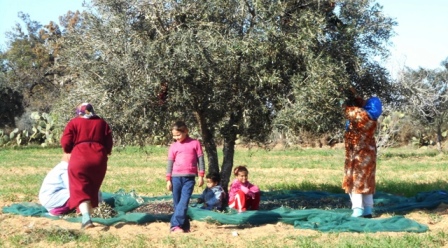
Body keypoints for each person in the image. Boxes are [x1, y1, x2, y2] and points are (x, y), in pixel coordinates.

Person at [60, 103, 113, 229]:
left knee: (80, 187)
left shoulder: (73, 123)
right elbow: (109, 143)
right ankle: (89, 214)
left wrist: (69, 149)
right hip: (99, 158)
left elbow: (66, 143)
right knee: (92, 187)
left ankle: (86, 218)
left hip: (79, 157)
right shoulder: (102, 123)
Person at [342, 95, 382, 218]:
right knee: (367, 181)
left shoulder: (360, 115)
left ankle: (358, 209)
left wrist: (343, 100)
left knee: (355, 180)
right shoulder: (372, 119)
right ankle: (368, 210)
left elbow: (345, 109)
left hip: (358, 154)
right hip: (370, 153)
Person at [166, 121, 205, 233]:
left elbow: (200, 160)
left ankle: (174, 225)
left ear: (186, 131)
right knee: (177, 203)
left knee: (184, 202)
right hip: (175, 178)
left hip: (189, 178)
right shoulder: (173, 146)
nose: (176, 137)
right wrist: (168, 179)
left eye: (178, 135)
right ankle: (184, 226)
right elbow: (170, 163)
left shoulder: (195, 143)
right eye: (174, 135)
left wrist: (201, 175)